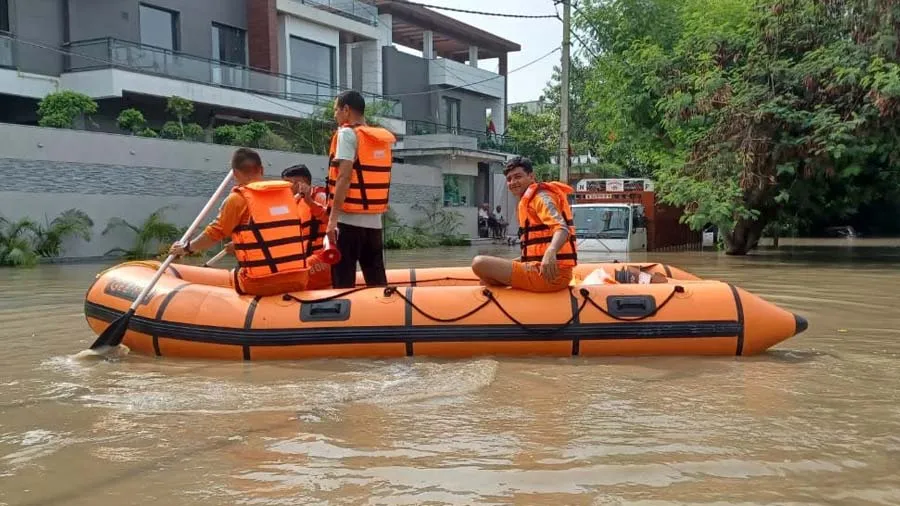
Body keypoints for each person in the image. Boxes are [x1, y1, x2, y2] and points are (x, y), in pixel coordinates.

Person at [169, 148, 312, 297]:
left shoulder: (237, 199)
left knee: (232, 277)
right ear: (262, 169)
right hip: (299, 279)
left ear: (235, 174)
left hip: (260, 284)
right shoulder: (286, 195)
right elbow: (274, 232)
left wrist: (186, 248)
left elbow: (214, 234)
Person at [471, 156, 578, 292]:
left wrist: (551, 251)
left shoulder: (542, 197)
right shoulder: (528, 200)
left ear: (531, 176)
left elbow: (562, 228)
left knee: (479, 263)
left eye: (518, 177)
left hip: (551, 274)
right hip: (538, 267)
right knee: (485, 277)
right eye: (509, 179)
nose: (513, 182)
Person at [325, 90, 397, 288]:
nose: (335, 115)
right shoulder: (377, 138)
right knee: (377, 282)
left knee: (343, 284)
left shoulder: (347, 134)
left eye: (336, 110)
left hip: (348, 222)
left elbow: (344, 176)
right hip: (374, 223)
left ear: (346, 110)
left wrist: (332, 220)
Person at [280, 164, 332, 289]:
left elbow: (332, 219)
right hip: (306, 258)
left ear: (301, 182)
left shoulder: (320, 196)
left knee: (289, 278)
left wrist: (310, 202)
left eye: (288, 184)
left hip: (325, 258)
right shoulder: (295, 202)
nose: (285, 189)